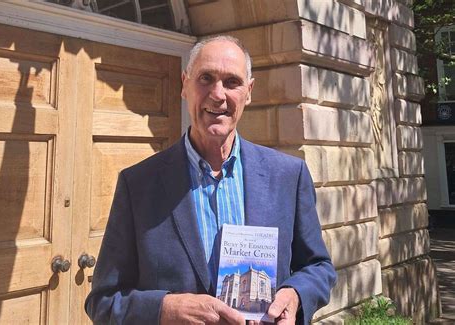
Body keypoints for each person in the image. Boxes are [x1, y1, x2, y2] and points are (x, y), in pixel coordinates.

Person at [85, 35, 336, 325]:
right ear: (184, 85)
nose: (218, 95)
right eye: (206, 78)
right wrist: (165, 309)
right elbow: (103, 301)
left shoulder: (288, 176)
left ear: (249, 91)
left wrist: (295, 296)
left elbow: (319, 267)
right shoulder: (138, 184)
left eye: (232, 82)